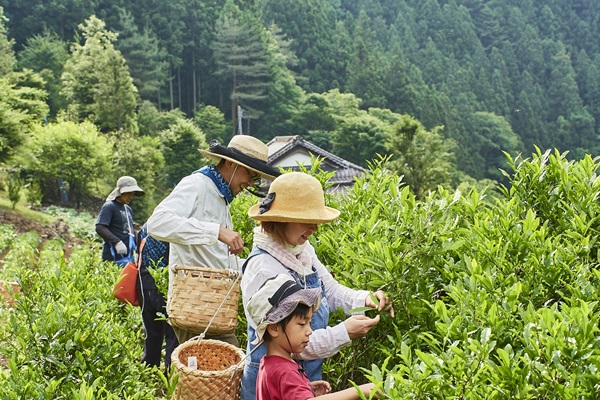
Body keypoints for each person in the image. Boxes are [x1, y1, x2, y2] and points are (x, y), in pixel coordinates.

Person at [240, 171, 394, 400]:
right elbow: (287, 336)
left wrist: (364, 299)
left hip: (299, 377)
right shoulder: (263, 268)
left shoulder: (300, 249)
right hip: (277, 383)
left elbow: (328, 290)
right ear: (282, 220)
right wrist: (344, 333)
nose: (315, 228)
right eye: (307, 220)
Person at [147, 135, 280, 345]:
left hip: (213, 307)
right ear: (230, 163)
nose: (250, 183)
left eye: (255, 178)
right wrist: (216, 231)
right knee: (217, 370)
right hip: (194, 306)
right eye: (250, 174)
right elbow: (157, 223)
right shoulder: (197, 185)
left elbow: (216, 258)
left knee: (209, 374)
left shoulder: (222, 197)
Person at [246, 274, 377, 400]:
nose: (309, 331)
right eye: (302, 324)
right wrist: (360, 391)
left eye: (309, 323)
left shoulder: (269, 363)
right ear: (274, 328)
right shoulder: (284, 371)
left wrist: (305, 389)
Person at [136, 224, 178, 373]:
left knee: (151, 329)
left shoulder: (144, 229)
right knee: (172, 331)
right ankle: (170, 372)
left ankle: (149, 368)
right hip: (164, 284)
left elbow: (138, 255)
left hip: (143, 283)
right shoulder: (172, 227)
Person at [96, 176, 144, 266]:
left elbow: (129, 229)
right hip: (113, 257)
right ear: (120, 192)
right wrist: (117, 242)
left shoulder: (128, 209)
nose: (131, 197)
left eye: (133, 194)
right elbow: (100, 227)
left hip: (128, 257)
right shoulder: (109, 206)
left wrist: (137, 250)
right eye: (128, 193)